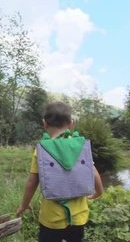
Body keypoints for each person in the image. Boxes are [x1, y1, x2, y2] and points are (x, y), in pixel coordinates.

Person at [16, 101, 104, 242]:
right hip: (78, 218)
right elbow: (93, 172)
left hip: (51, 218)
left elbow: (32, 182)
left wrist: (24, 204)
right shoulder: (80, 146)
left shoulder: (42, 150)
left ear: (45, 124)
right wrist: (98, 192)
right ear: (70, 124)